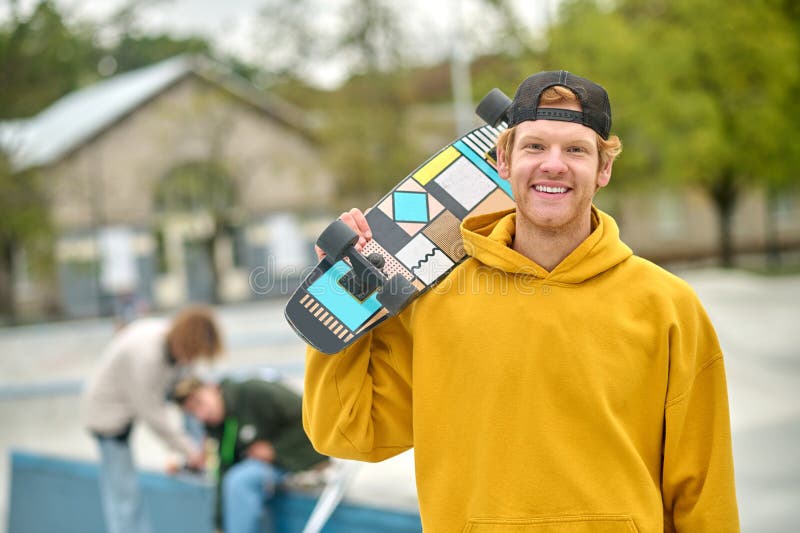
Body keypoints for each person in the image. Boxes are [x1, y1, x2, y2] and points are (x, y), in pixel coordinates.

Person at [302, 71, 740, 532]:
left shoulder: (667, 306)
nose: (554, 164)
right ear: (503, 161)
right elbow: (347, 432)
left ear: (604, 170)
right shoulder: (433, 302)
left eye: (576, 150)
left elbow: (704, 487)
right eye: (534, 146)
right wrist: (339, 288)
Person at [82, 305, 224, 533]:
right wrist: (190, 450)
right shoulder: (145, 356)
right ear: (183, 344)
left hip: (137, 395)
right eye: (191, 355)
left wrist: (203, 439)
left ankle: (198, 463)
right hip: (106, 412)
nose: (191, 360)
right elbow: (153, 414)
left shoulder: (175, 345)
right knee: (124, 495)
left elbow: (191, 385)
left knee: (191, 398)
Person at [173, 374, 329, 533]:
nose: (201, 414)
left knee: (241, 480)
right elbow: (224, 469)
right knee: (236, 478)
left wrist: (275, 449)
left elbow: (311, 417)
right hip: (270, 466)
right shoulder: (220, 424)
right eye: (193, 412)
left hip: (306, 456)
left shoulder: (254, 391)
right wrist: (219, 524)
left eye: (199, 402)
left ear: (212, 388)